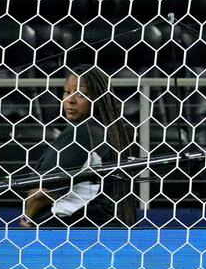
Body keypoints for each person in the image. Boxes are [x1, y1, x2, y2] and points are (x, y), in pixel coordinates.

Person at [22, 65, 138, 228]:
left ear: (98, 98)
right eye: (67, 92)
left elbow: (40, 193)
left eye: (81, 94)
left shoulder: (82, 132)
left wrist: (27, 218)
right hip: (111, 226)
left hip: (72, 227)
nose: (71, 100)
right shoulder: (113, 131)